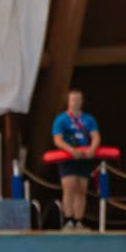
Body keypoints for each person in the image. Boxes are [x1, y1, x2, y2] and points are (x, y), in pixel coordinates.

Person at [52, 88, 101, 232]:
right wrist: (71, 150)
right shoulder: (61, 119)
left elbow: (96, 136)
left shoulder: (89, 119)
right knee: (69, 187)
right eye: (73, 99)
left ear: (82, 101)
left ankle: (79, 220)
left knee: (82, 189)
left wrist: (92, 148)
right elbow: (58, 139)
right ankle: (68, 220)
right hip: (68, 157)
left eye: (78, 99)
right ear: (68, 101)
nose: (76, 102)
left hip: (84, 157)